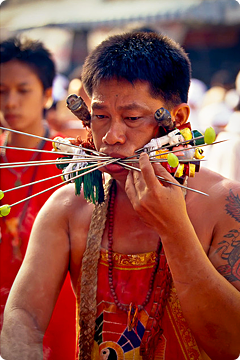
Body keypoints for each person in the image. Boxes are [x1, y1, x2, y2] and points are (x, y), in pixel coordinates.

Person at [1, 31, 240, 360]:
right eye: (100, 116)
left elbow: (233, 344)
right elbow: (24, 316)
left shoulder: (224, 204)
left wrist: (174, 229)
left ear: (178, 118)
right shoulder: (68, 207)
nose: (111, 137)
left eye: (131, 118)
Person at [0, 37, 76, 359]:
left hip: (55, 318)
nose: (11, 102)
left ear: (47, 93)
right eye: (1, 91)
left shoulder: (72, 162)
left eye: (22, 89)